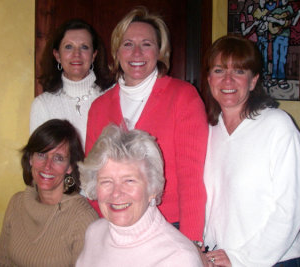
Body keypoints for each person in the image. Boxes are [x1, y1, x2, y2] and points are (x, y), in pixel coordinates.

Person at [85, 6, 208, 243]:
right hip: (115, 228)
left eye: (147, 44)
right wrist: (108, 223)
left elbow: (192, 179)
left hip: (169, 229)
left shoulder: (183, 97)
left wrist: (191, 243)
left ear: (160, 51)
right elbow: (93, 178)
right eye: (128, 44)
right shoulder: (99, 107)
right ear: (117, 51)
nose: (137, 53)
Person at [201, 35, 300, 267]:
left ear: (253, 81)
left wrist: (242, 259)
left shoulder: (278, 126)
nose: (227, 79)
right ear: (209, 79)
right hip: (221, 257)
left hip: (273, 260)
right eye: (219, 70)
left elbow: (291, 209)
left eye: (239, 71)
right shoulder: (209, 131)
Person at [76, 124, 203, 267]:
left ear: (152, 189)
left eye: (129, 181)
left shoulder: (178, 258)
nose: (116, 193)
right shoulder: (94, 233)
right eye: (106, 181)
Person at [0, 119, 98, 267]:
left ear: (70, 167)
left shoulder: (83, 219)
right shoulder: (17, 203)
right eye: (41, 154)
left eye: (58, 158)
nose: (47, 166)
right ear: (30, 159)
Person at [30, 19, 114, 148]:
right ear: (57, 55)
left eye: (84, 47)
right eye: (69, 47)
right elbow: (39, 158)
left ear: (93, 55)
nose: (77, 54)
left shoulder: (112, 96)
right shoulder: (43, 105)